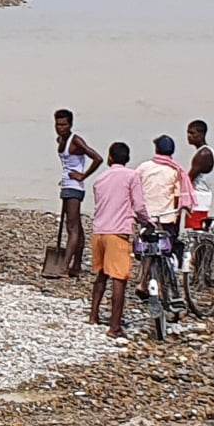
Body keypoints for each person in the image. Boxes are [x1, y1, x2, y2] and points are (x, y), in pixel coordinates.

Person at [89, 142, 152, 338]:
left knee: (101, 275)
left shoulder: (100, 179)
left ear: (109, 158)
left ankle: (94, 315)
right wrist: (148, 222)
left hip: (99, 231)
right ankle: (115, 326)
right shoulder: (132, 176)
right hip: (118, 233)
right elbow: (139, 205)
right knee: (119, 279)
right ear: (127, 158)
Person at [56, 110, 102, 278]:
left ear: (70, 125)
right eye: (58, 124)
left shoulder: (76, 140)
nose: (60, 128)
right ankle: (76, 265)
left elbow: (97, 158)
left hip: (75, 187)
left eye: (64, 124)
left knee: (72, 227)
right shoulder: (61, 140)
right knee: (77, 228)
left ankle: (63, 266)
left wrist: (83, 175)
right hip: (66, 185)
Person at [141, 135, 194, 276]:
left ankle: (145, 279)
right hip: (167, 217)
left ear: (156, 149)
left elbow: (135, 189)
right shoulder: (176, 171)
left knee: (147, 248)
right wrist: (177, 220)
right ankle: (163, 279)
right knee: (165, 249)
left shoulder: (144, 167)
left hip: (146, 216)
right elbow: (178, 199)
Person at [188, 120, 214, 231]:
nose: (189, 136)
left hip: (200, 198)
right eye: (188, 133)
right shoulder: (202, 151)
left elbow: (189, 178)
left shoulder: (204, 154)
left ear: (202, 134)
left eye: (192, 133)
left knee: (197, 231)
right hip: (199, 197)